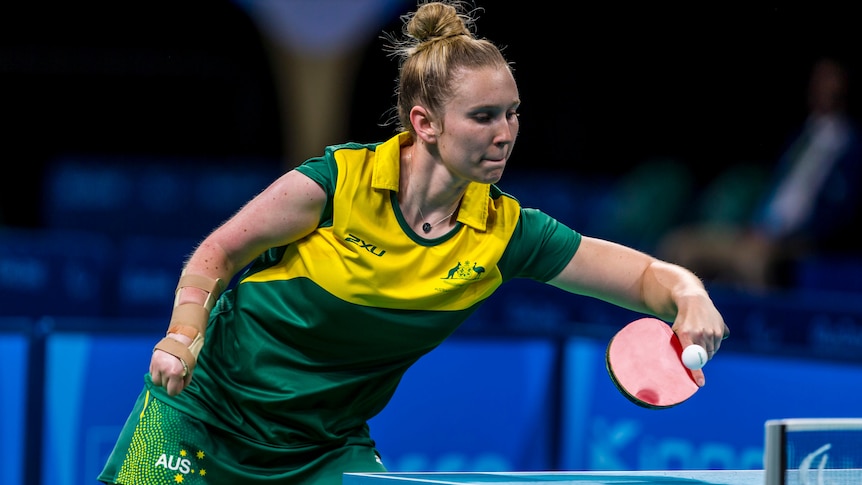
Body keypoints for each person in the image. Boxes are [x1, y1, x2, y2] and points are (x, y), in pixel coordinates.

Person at [98, 2, 729, 484]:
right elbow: (217, 253)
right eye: (484, 117)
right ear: (423, 123)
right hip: (201, 417)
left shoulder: (506, 233)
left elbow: (642, 276)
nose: (506, 133)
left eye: (513, 113)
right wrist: (182, 335)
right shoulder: (337, 184)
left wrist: (688, 292)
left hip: (325, 448)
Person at [656, 57, 862, 291]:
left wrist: (788, 237)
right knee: (680, 245)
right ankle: (675, 323)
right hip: (757, 230)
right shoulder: (799, 137)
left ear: (845, 85)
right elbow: (777, 192)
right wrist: (756, 225)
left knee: (751, 261)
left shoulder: (851, 146)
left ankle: (760, 325)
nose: (821, 86)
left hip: (797, 242)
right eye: (818, 79)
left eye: (830, 79)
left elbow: (841, 214)